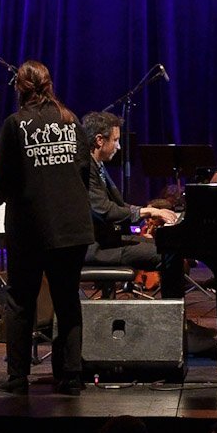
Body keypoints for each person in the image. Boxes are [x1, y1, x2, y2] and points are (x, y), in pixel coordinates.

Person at [0, 60, 95, 396]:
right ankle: (71, 376)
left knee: (22, 300)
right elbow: (82, 172)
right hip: (72, 225)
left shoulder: (14, 124)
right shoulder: (71, 120)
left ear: (20, 88)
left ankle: (18, 377)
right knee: (67, 301)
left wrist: (1, 194)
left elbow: (3, 179)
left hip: (31, 229)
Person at [79, 110, 179, 297]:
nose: (118, 146)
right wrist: (149, 212)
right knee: (168, 253)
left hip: (107, 240)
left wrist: (147, 215)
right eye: (115, 140)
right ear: (100, 140)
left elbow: (117, 206)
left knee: (166, 244)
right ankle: (173, 320)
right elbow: (105, 211)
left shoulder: (96, 165)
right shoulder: (85, 169)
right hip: (97, 248)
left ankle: (174, 316)